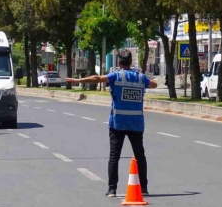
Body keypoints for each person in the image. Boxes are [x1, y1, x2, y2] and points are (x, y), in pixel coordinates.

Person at [67, 49, 158, 197]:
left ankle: (112, 189)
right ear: (130, 62)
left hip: (118, 123)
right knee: (140, 155)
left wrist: (78, 81)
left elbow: (97, 78)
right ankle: (144, 188)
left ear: (119, 62)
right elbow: (153, 84)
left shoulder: (116, 76)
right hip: (136, 124)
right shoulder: (141, 78)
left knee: (114, 156)